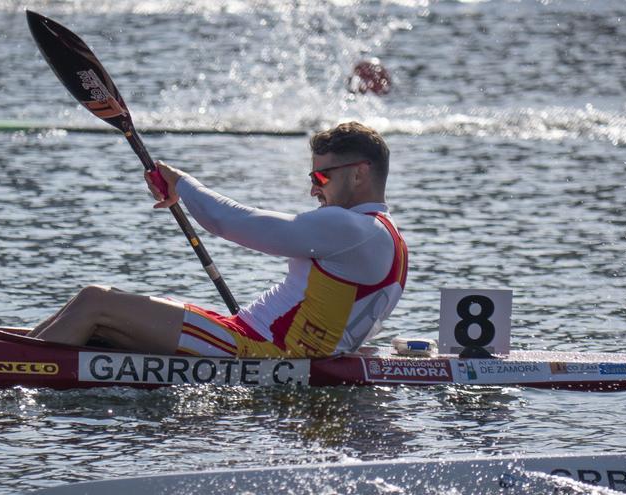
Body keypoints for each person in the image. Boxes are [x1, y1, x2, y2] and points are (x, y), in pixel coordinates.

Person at [28, 121, 408, 358]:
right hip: (250, 337)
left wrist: (182, 183)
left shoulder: (352, 229)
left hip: (256, 351)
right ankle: (17, 351)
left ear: (358, 174)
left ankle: (14, 371)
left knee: (96, 302)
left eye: (320, 178)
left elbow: (229, 222)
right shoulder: (389, 238)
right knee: (94, 314)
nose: (313, 190)